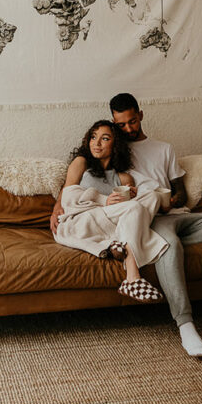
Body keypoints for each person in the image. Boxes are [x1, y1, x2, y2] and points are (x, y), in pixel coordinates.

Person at [109, 92, 202, 357]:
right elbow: (87, 169)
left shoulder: (164, 148)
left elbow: (180, 191)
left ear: (141, 115)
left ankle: (157, 249)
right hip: (152, 218)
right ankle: (186, 326)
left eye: (132, 121)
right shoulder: (116, 153)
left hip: (176, 213)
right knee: (168, 243)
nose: (128, 128)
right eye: (121, 125)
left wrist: (172, 201)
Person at [52, 120, 168, 303]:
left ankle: (119, 242)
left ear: (115, 144)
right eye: (93, 137)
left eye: (104, 138)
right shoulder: (81, 163)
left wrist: (131, 196)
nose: (96, 143)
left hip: (110, 222)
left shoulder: (123, 177)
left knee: (152, 197)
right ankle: (132, 277)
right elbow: (68, 195)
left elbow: (128, 210)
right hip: (82, 220)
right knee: (135, 208)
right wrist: (103, 200)